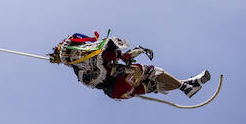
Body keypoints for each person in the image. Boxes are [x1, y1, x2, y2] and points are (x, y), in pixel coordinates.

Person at [49, 32, 210, 101]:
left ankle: (188, 85)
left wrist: (130, 54)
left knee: (153, 83)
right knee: (152, 71)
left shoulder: (83, 70)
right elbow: (115, 56)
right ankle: (185, 86)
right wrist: (125, 56)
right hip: (119, 84)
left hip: (118, 91)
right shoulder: (94, 58)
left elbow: (117, 59)